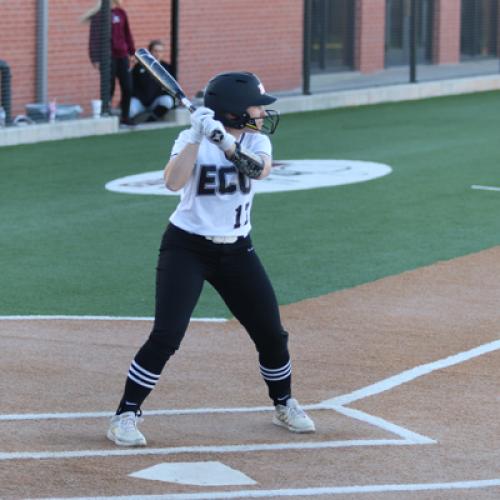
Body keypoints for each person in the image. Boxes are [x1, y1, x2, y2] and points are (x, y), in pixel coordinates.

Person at [106, 72, 315, 446]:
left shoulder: (257, 140)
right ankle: (125, 414)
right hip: (187, 247)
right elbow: (172, 182)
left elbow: (260, 171)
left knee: (271, 333)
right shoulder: (192, 138)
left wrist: (228, 145)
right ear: (234, 112)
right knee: (167, 336)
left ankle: (283, 403)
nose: (263, 114)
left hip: (237, 250)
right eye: (256, 108)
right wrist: (197, 138)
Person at [83, 0, 135, 125]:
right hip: (107, 58)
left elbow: (127, 34)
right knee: (108, 88)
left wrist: (132, 52)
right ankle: (106, 113)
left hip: (122, 56)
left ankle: (125, 117)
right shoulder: (99, 15)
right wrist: (95, 58)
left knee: (128, 87)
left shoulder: (121, 13)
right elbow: (94, 37)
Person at [129, 40, 176, 124]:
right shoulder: (139, 66)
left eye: (160, 51)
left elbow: (172, 87)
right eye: (155, 51)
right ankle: (134, 121)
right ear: (150, 52)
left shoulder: (167, 68)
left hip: (155, 102)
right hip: (140, 102)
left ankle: (151, 119)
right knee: (130, 109)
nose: (158, 54)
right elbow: (131, 85)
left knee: (168, 101)